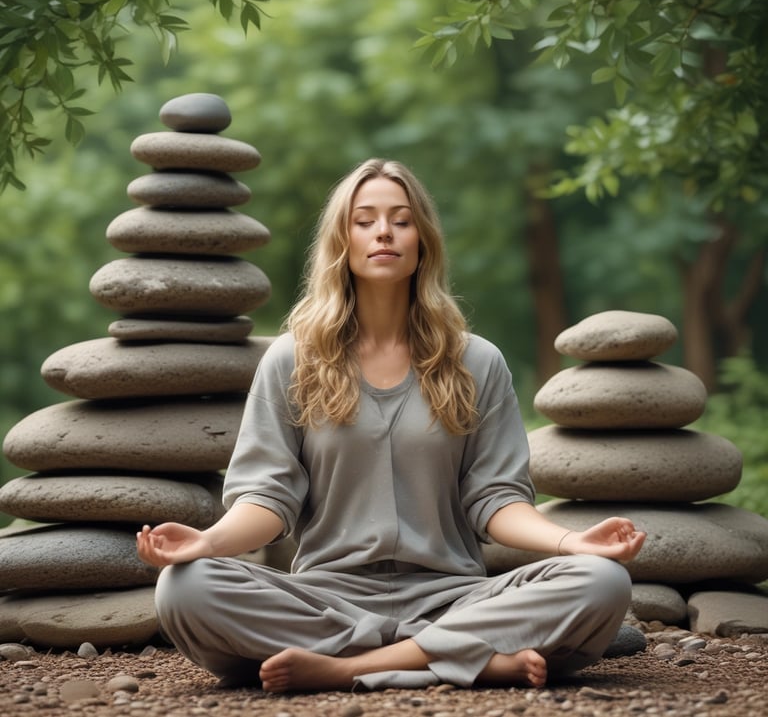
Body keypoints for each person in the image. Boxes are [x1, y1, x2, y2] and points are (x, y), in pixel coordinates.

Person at [136, 158, 646, 693]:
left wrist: (572, 543)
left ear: (422, 240)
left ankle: (347, 667)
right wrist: (208, 544)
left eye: (401, 220)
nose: (384, 231)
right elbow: (268, 497)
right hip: (326, 597)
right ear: (342, 239)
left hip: (454, 598)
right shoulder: (291, 360)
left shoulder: (478, 361)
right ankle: (464, 660)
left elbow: (497, 500)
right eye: (365, 220)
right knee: (184, 588)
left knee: (601, 579)